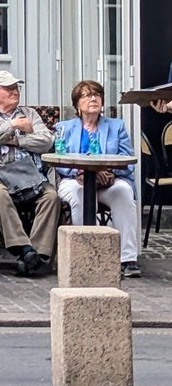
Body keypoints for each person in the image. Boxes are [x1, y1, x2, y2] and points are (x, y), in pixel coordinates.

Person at [0, 70, 58, 277]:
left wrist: (16, 140)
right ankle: (23, 249)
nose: (15, 91)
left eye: (16, 87)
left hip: (29, 175)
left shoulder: (30, 114)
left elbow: (46, 141)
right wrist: (12, 126)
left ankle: (36, 254)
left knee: (51, 196)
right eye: (8, 88)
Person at [54, 79, 140, 278]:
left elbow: (127, 159)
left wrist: (109, 172)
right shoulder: (64, 128)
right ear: (77, 104)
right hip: (76, 180)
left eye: (97, 94)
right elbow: (58, 162)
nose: (93, 98)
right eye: (86, 95)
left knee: (124, 192)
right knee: (79, 195)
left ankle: (128, 259)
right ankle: (87, 254)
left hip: (109, 181)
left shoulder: (116, 126)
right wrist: (78, 172)